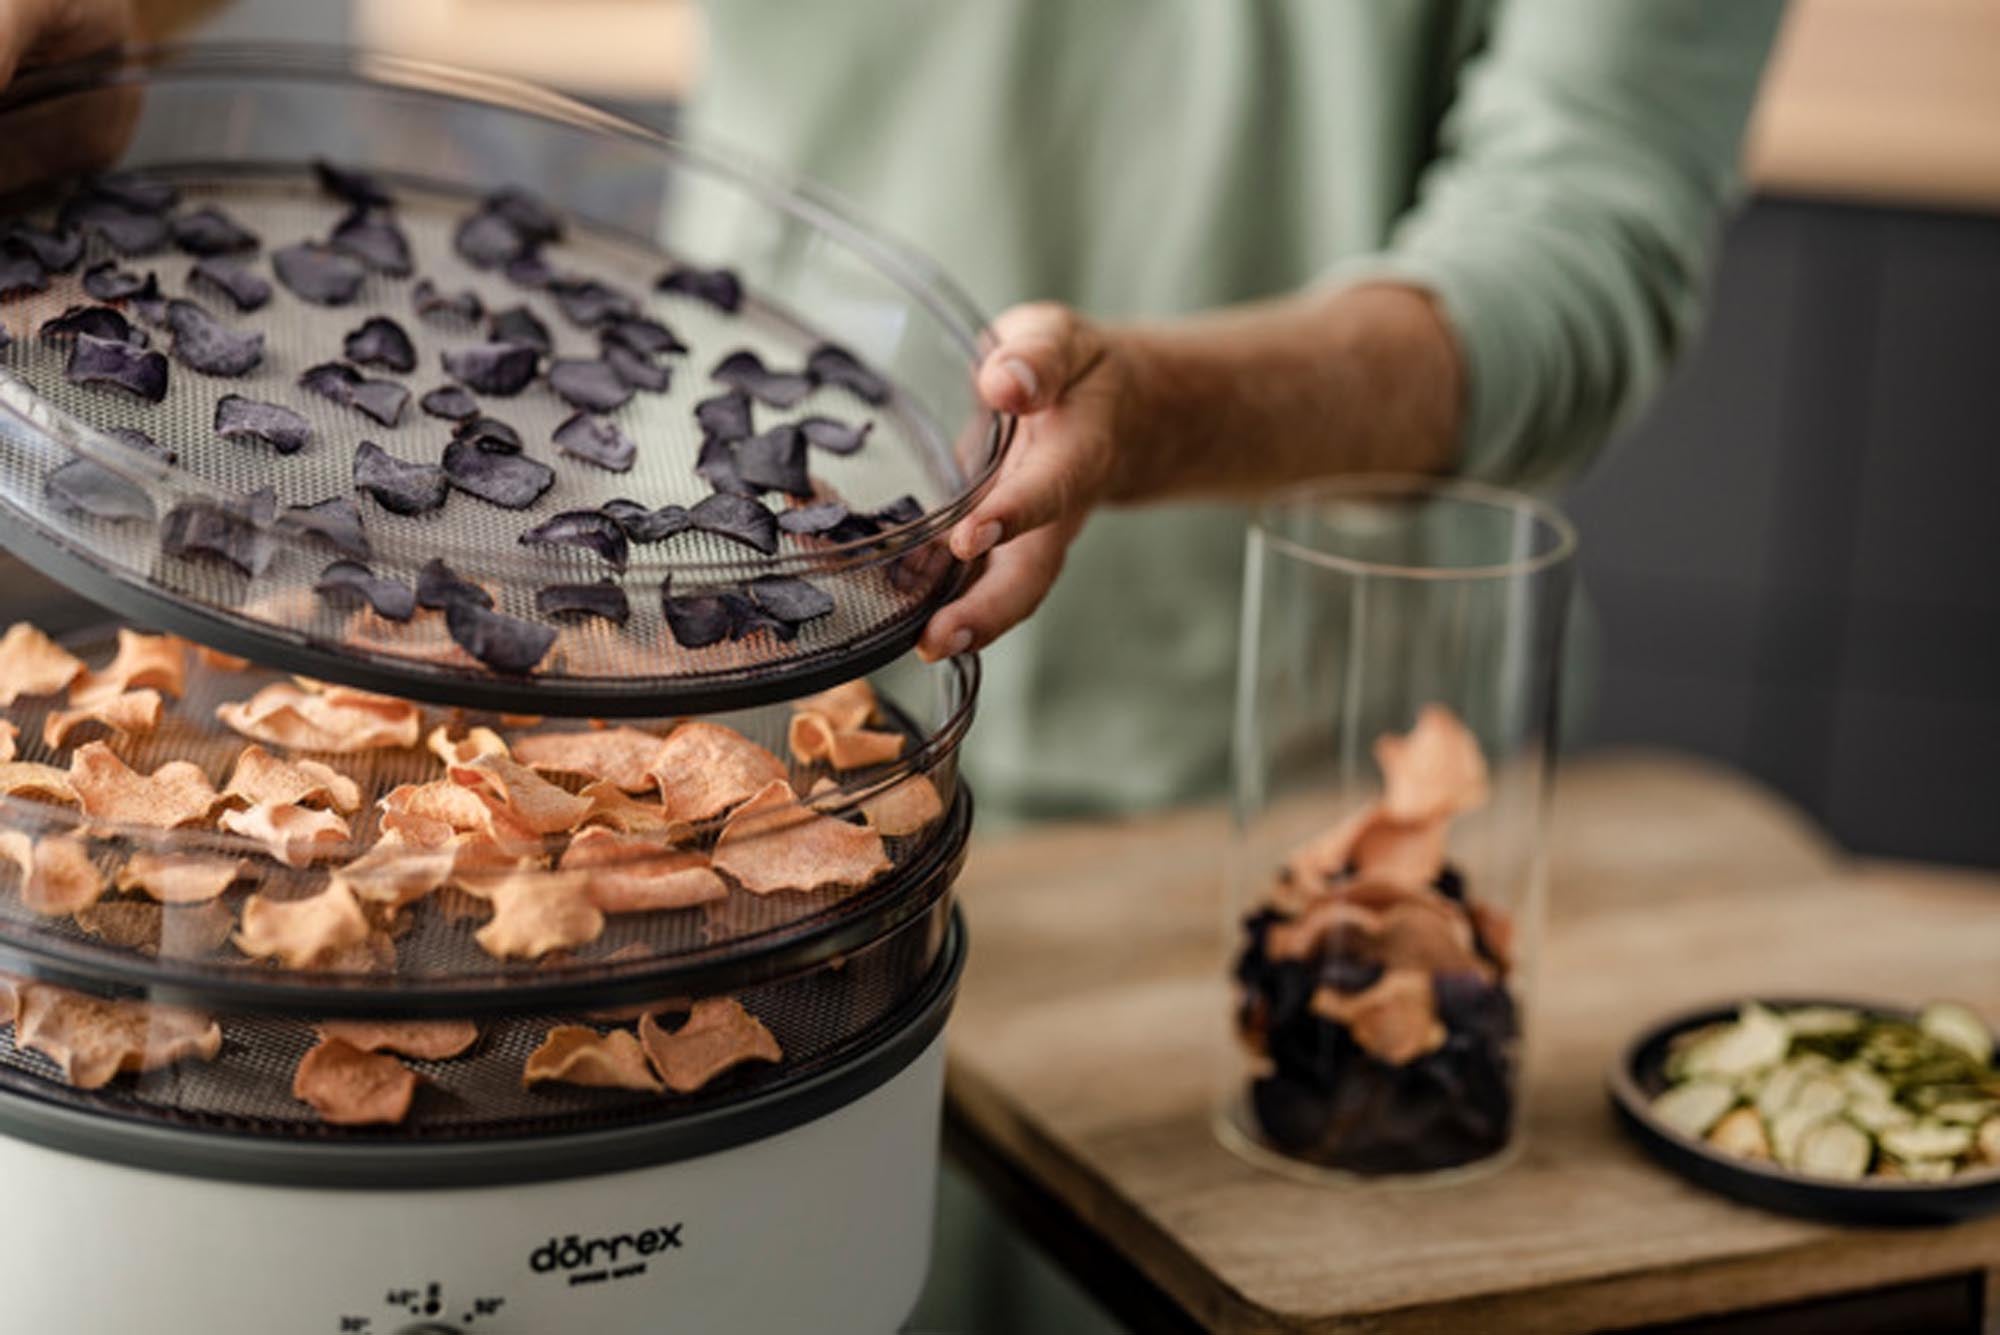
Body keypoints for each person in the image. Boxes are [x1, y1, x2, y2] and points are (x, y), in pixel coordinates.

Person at [0, 0, 1787, 827]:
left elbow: (1580, 252)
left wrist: (1157, 416)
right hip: (696, 675)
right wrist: (107, 13)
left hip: (1264, 791)